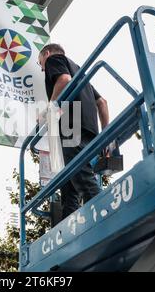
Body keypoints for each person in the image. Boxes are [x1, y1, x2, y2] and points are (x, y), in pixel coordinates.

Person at [38, 43, 109, 221]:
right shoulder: (81, 73)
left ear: (46, 53)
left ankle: (106, 218)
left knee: (84, 182)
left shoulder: (54, 59)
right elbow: (102, 102)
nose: (42, 69)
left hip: (71, 128)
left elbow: (63, 79)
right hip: (90, 133)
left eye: (41, 64)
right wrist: (106, 136)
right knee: (70, 187)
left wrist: (50, 108)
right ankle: (67, 236)